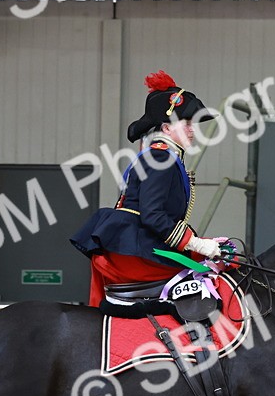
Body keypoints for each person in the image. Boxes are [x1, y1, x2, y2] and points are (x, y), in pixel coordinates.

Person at [71, 71, 225, 306]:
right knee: (205, 279)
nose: (193, 130)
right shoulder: (161, 158)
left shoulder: (164, 157)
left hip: (143, 244)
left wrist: (200, 242)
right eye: (187, 123)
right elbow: (153, 216)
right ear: (166, 127)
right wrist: (197, 244)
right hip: (137, 250)